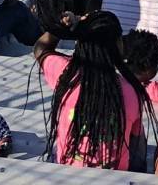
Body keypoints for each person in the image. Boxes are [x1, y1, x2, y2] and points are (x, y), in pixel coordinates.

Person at [43, 12, 149, 170]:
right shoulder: (131, 91)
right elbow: (136, 144)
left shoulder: (64, 74)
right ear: (118, 46)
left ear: (80, 43)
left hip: (66, 174)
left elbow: (41, 48)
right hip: (114, 178)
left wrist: (65, 26)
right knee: (137, 134)